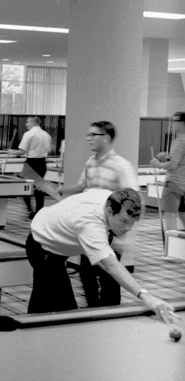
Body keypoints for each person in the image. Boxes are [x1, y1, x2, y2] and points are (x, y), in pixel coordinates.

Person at [27, 188, 178, 324]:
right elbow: (110, 265)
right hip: (42, 248)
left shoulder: (110, 198)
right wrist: (146, 296)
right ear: (110, 210)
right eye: (124, 221)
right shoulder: (91, 225)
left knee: (44, 298)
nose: (128, 228)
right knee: (65, 312)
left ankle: (28, 327)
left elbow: (87, 190)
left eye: (132, 222)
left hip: (51, 238)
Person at [62, 121, 139, 307]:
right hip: (91, 228)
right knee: (86, 274)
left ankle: (109, 317)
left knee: (109, 279)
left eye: (93, 134)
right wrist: (62, 190)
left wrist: (122, 232)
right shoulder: (91, 162)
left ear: (105, 137)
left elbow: (133, 199)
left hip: (111, 233)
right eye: (88, 134)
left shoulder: (121, 166)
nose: (88, 138)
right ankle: (94, 312)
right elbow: (82, 187)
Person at [151, 111, 185, 233]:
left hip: (174, 183)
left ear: (183, 123)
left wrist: (157, 164)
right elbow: (179, 159)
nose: (172, 124)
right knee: (183, 218)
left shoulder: (179, 141)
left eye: (175, 121)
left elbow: (173, 165)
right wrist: (167, 155)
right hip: (183, 185)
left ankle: (170, 249)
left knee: (170, 218)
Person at [13, 116, 52, 218]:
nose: (26, 124)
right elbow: (48, 150)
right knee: (39, 188)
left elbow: (22, 151)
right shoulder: (47, 135)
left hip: (31, 162)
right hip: (42, 163)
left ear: (33, 123)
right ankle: (39, 212)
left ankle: (30, 210)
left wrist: (11, 152)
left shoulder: (29, 134)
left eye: (27, 122)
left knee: (24, 186)